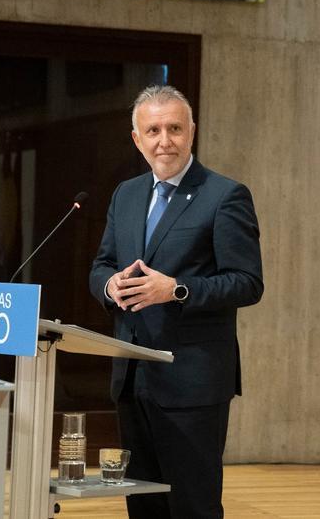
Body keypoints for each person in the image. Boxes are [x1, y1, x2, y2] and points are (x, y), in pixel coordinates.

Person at [90, 85, 263, 518]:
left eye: (174, 128)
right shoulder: (125, 194)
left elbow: (247, 282)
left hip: (193, 382)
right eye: (152, 130)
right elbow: (102, 265)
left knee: (192, 505)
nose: (163, 140)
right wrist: (109, 287)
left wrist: (177, 289)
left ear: (192, 132)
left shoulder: (224, 195)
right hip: (132, 378)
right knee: (143, 504)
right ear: (137, 138)